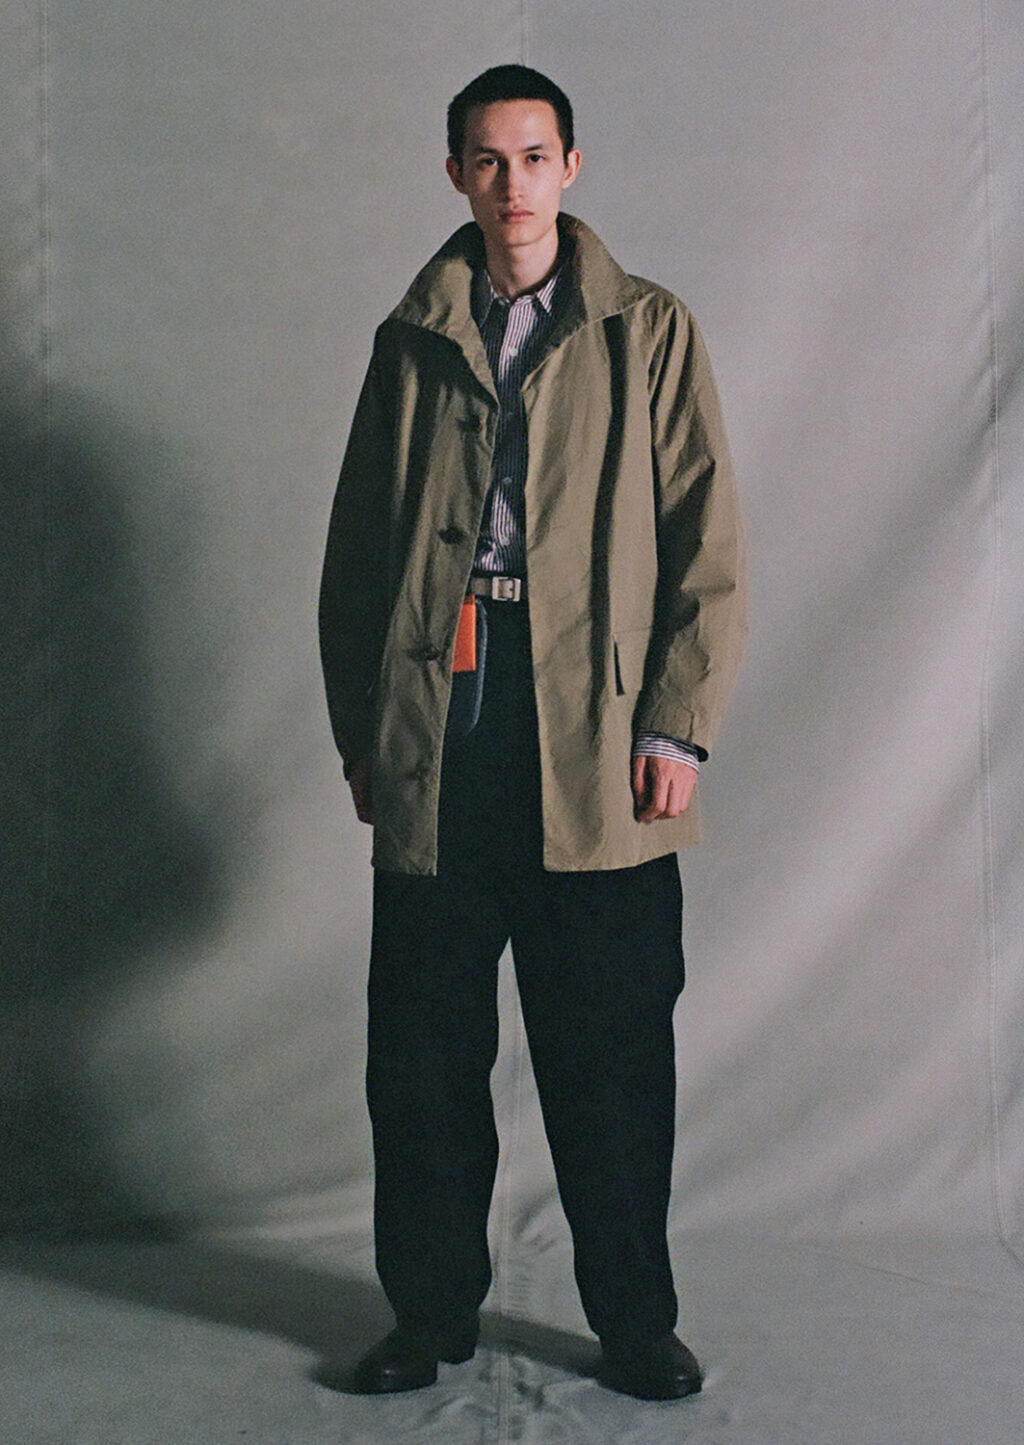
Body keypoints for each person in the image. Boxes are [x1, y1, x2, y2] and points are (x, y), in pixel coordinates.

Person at [318, 63, 746, 1402]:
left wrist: (678, 725)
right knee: (423, 1058)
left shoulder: (650, 331)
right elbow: (357, 556)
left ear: (572, 167)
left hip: (597, 741)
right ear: (456, 174)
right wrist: (365, 731)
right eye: (489, 161)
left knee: (612, 1054)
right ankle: (428, 1316)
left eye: (535, 156)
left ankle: (634, 1321)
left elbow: (708, 546)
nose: (514, 185)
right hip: (442, 727)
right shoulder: (411, 338)